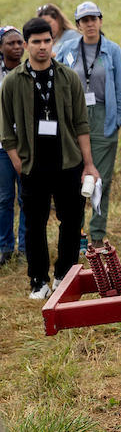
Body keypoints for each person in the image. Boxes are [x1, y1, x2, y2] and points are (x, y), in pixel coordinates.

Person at [1, 17, 100, 298]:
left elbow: (81, 124)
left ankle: (65, 274)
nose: (42, 47)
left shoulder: (68, 77)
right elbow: (6, 131)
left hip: (68, 163)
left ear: (52, 42)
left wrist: (89, 164)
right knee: (34, 225)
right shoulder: (12, 83)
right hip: (32, 165)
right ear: (27, 45)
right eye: (36, 42)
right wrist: (19, 164)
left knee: (71, 221)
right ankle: (38, 280)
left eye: (47, 41)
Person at [57, 2, 121, 248]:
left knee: (101, 179)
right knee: (73, 179)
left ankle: (97, 234)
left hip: (103, 117)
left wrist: (118, 120)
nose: (89, 24)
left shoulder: (112, 50)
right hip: (73, 117)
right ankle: (75, 233)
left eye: (93, 19)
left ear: (100, 20)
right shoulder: (66, 50)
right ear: (77, 25)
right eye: (84, 20)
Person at [0, 26, 26, 265]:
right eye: (11, 43)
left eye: (20, 43)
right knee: (4, 198)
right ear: (1, 47)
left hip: (27, 146)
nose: (17, 47)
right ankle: (5, 247)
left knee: (27, 196)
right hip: (1, 147)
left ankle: (26, 247)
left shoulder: (30, 71)